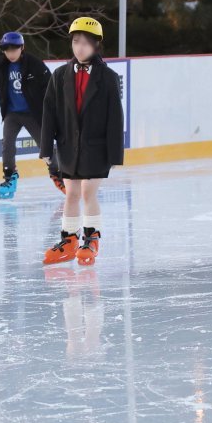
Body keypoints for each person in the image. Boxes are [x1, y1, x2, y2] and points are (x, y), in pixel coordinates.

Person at [41, 17, 124, 266]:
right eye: (76, 42)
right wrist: (46, 148)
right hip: (69, 147)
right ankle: (68, 240)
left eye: (86, 43)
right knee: (72, 193)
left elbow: (115, 117)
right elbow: (49, 112)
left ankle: (91, 239)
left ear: (97, 45)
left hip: (96, 147)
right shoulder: (59, 75)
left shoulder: (107, 77)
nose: (80, 48)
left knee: (88, 191)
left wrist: (115, 154)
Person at [0, 31, 51, 199]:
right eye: (7, 50)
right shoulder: (0, 65)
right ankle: (9, 176)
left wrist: (53, 108)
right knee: (7, 144)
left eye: (14, 49)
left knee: (44, 146)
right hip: (12, 113)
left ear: (22, 48)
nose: (11, 53)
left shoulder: (34, 63)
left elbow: (50, 85)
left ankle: (58, 172)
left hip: (32, 113)